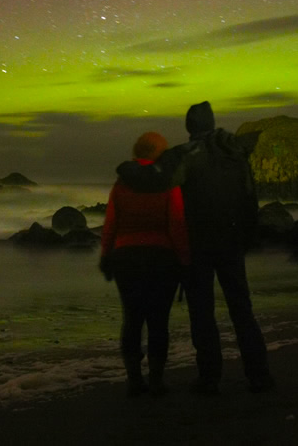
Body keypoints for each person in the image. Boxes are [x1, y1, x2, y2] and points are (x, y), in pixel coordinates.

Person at [116, 101, 274, 394]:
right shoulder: (235, 153)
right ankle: (259, 374)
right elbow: (251, 198)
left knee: (202, 313)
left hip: (198, 246)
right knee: (242, 309)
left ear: (190, 126)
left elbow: (154, 180)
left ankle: (210, 377)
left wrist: (127, 169)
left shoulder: (188, 155)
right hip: (232, 242)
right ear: (212, 123)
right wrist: (248, 237)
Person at [100, 131, 190, 397]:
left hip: (126, 257)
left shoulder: (122, 183)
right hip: (161, 258)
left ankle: (134, 379)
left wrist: (106, 255)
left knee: (132, 319)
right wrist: (185, 260)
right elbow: (177, 224)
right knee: (158, 321)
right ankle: (156, 380)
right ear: (160, 153)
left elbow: (110, 224)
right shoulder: (168, 182)